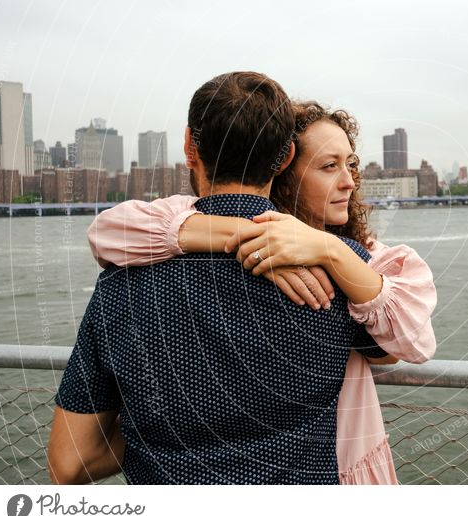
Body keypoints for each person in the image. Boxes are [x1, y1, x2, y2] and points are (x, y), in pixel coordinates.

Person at [48, 72, 391, 485]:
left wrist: (153, 428)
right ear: (284, 159)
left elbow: (69, 463)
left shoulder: (122, 279)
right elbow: (390, 349)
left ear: (190, 146)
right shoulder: (339, 269)